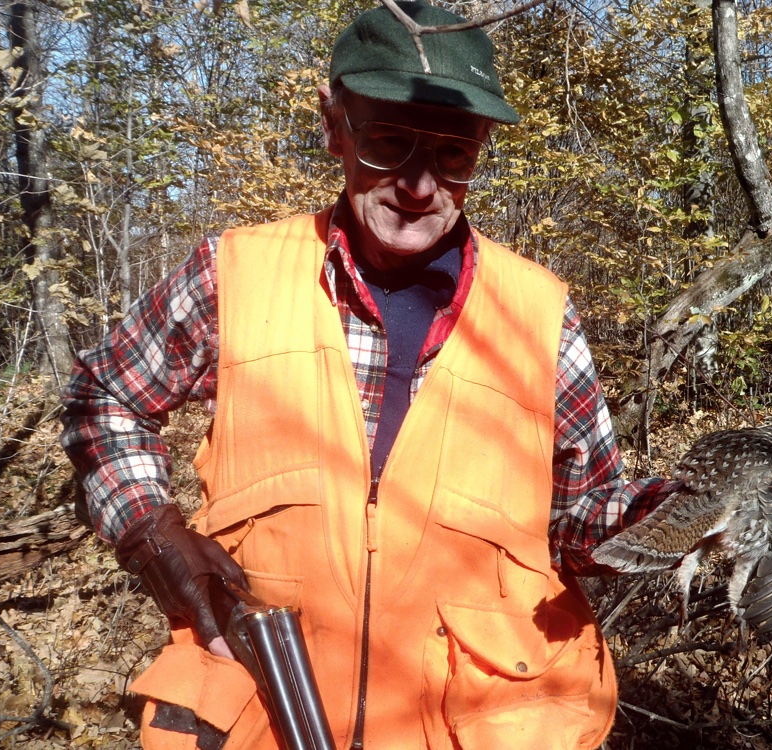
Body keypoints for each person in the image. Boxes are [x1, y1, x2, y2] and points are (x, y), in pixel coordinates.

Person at [60, 2, 674, 748]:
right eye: (388, 143)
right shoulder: (236, 276)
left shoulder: (539, 318)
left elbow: (579, 522)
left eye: (452, 155)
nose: (419, 185)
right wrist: (152, 532)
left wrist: (684, 515)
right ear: (334, 124)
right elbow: (106, 397)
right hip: (265, 714)